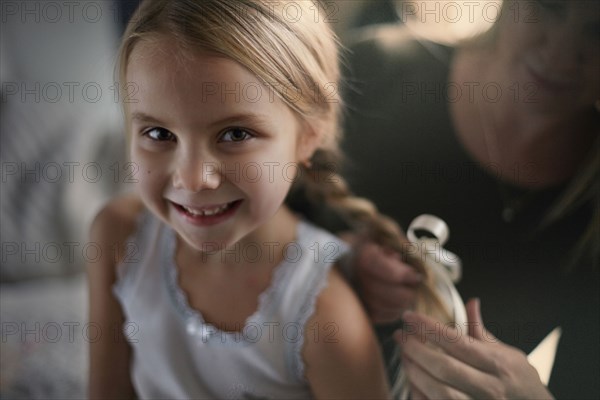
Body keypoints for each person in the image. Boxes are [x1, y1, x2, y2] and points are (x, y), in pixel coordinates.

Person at [85, 0, 424, 398]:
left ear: (308, 135)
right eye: (159, 134)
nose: (193, 178)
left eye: (234, 135)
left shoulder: (323, 315)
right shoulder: (118, 236)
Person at [344, 0, 599, 398]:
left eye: (598, 31)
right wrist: (335, 258)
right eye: (550, 7)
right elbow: (229, 235)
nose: (563, 50)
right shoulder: (375, 69)